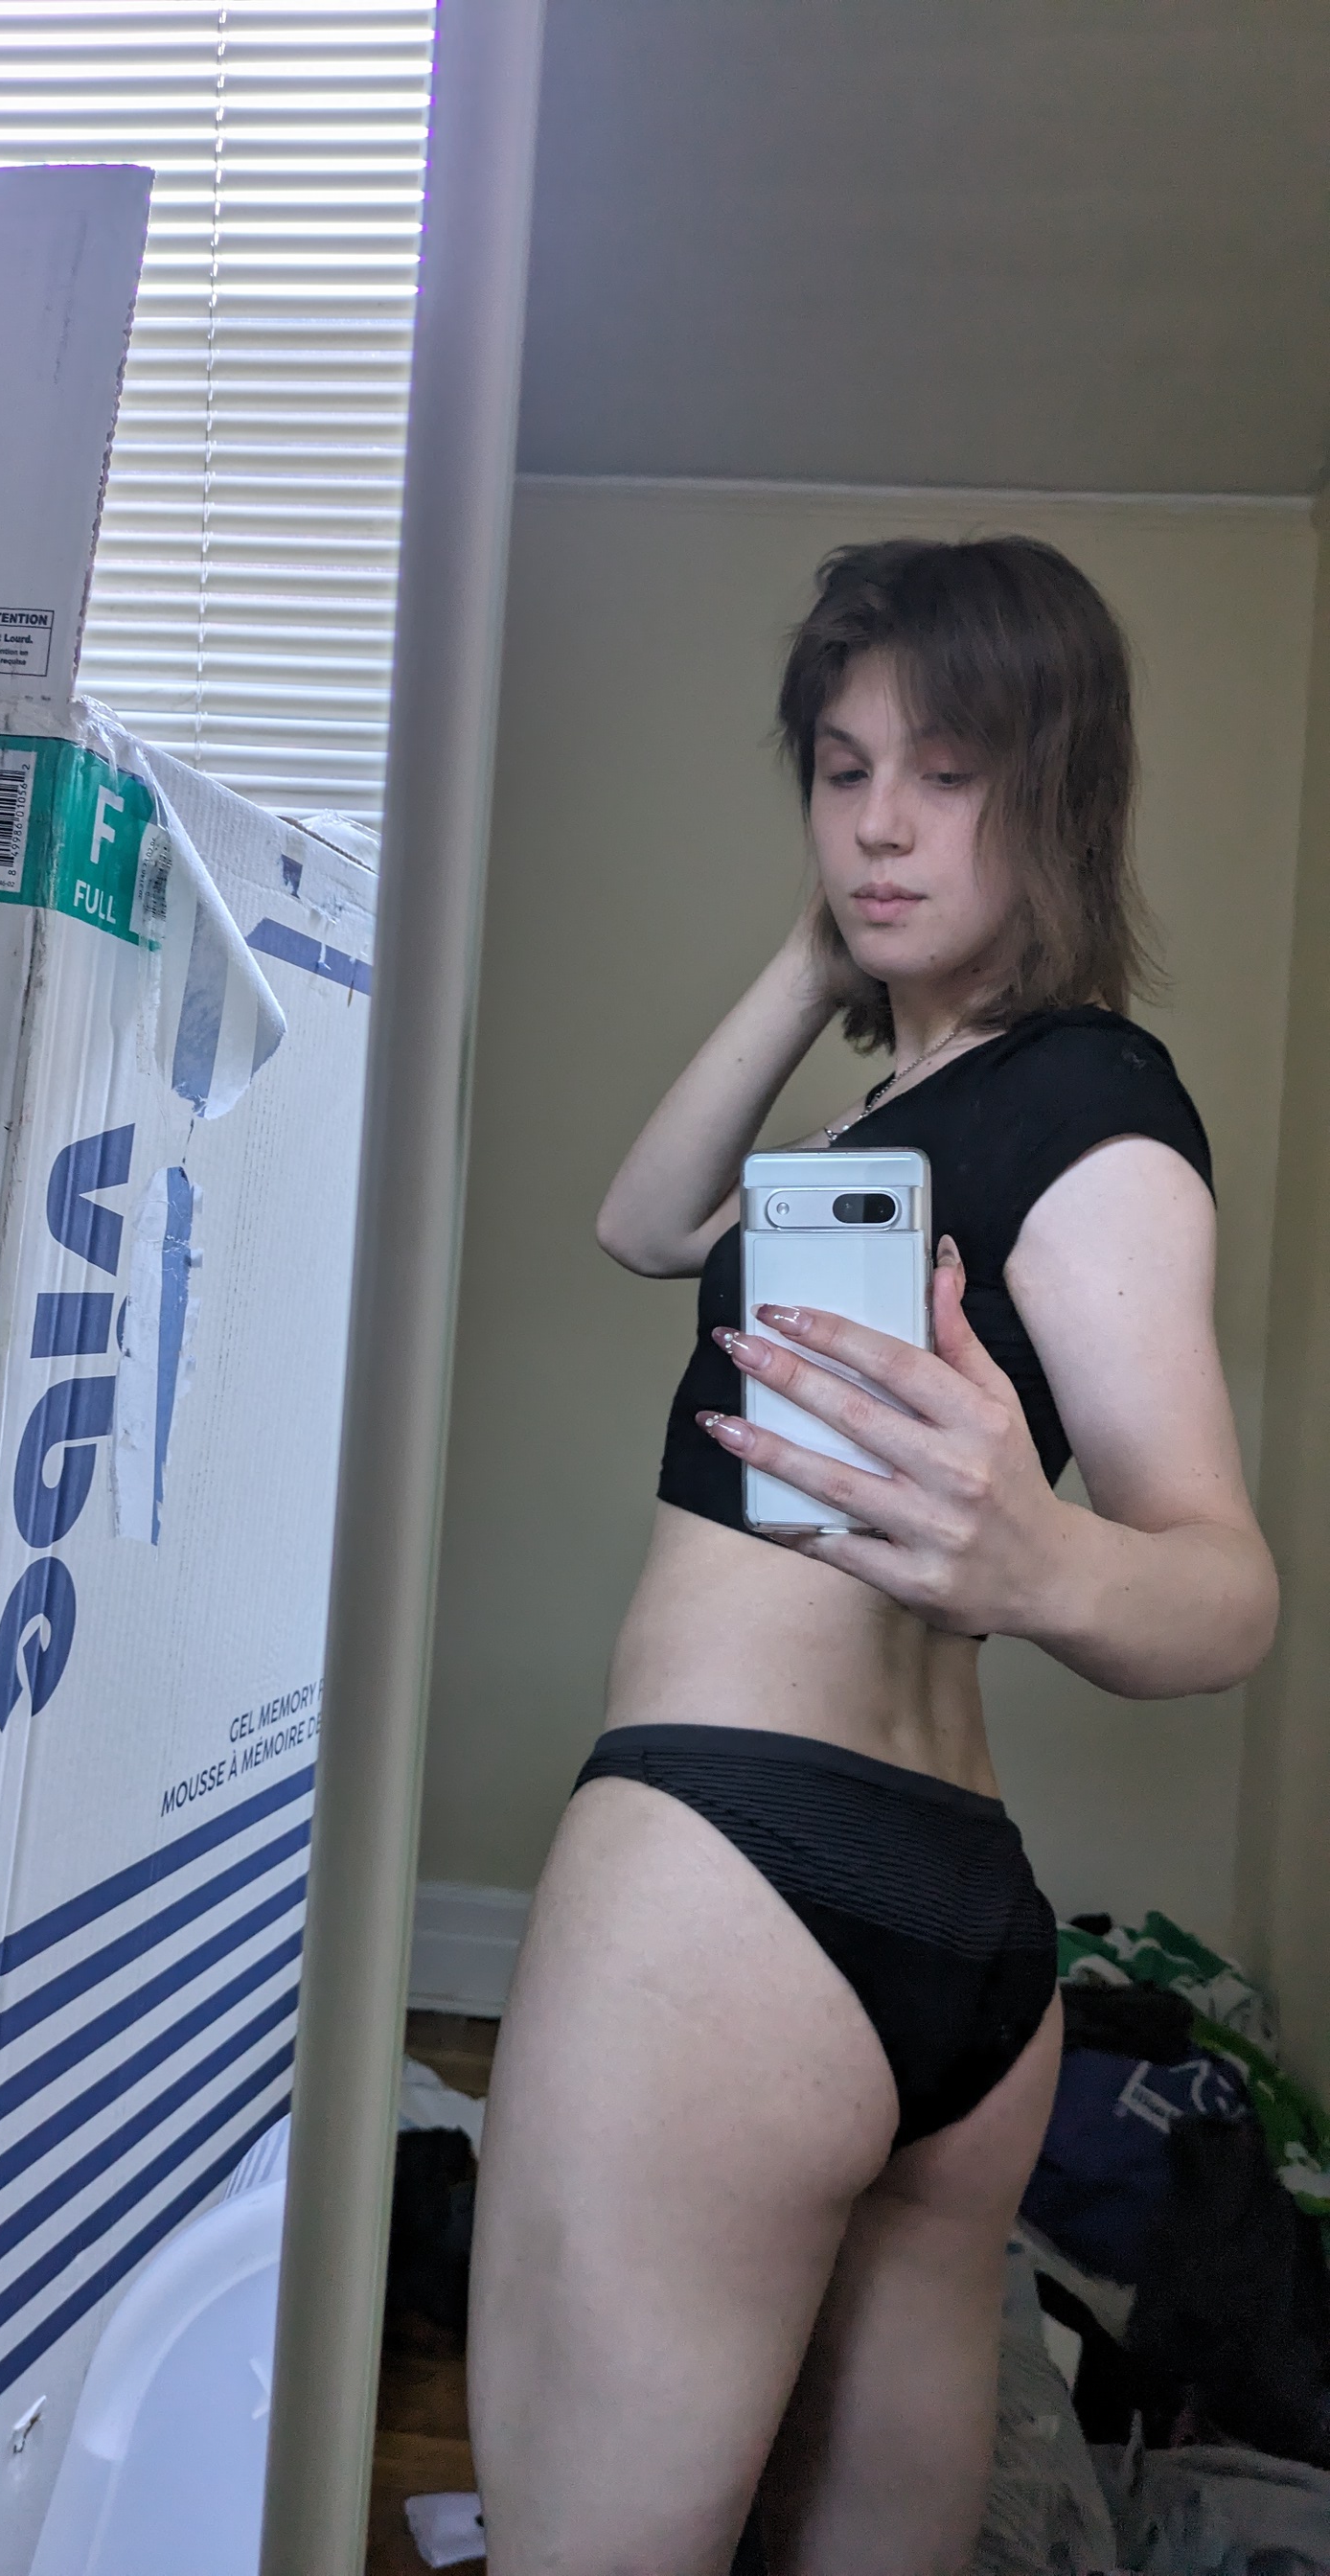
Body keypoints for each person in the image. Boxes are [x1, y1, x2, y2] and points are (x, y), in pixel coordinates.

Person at [466, 536, 1278, 2576]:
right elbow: (646, 1222)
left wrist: (1036, 1557)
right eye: (842, 774)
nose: (880, 825)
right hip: (953, 1944)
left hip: (730, 1881)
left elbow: (1224, 1584)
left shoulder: (1092, 1112)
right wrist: (821, 962)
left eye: (946, 772)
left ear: (1059, 791)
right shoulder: (919, 1107)